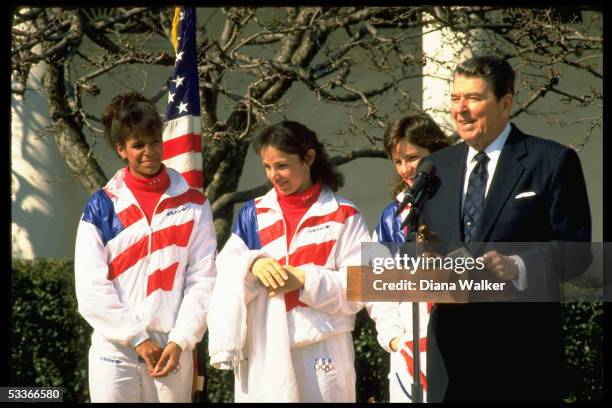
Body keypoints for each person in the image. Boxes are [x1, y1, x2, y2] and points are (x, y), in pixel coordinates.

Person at [416, 55, 592, 402]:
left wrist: (520, 265)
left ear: (506, 103)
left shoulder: (551, 161)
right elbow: (420, 239)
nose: (460, 110)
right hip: (451, 357)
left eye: (473, 98)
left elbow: (576, 253)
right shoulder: (436, 167)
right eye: (454, 98)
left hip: (521, 354)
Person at [207, 120, 403, 402]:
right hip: (265, 350)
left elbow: (364, 285)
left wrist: (304, 280)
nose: (274, 175)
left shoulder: (344, 214)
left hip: (322, 350)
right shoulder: (253, 213)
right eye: (267, 167)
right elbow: (224, 269)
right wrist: (251, 264)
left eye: (282, 165)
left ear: (309, 157)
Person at [74, 91, 217, 402]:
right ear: (121, 149)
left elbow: (203, 280)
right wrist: (137, 339)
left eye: (154, 142)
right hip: (116, 350)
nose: (149, 152)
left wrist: (180, 341)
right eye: (138, 145)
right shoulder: (102, 206)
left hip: (172, 350)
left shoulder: (194, 203)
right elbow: (91, 288)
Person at [373, 114, 451, 402]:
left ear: (436, 153)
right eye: (397, 161)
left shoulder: (463, 205)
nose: (405, 169)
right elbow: (375, 286)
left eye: (413, 157)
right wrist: (393, 337)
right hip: (408, 350)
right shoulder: (391, 218)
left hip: (459, 345)